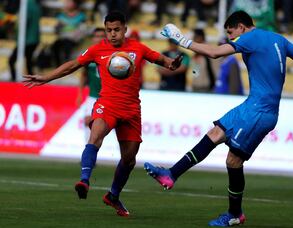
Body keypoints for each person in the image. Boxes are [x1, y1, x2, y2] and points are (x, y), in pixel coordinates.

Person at [144, 10, 293, 227]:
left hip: (259, 111)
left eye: (231, 33)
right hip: (252, 106)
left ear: (241, 27)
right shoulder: (279, 39)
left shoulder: (248, 38)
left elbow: (214, 53)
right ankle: (171, 174)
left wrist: (181, 40)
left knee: (233, 161)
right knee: (215, 133)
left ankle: (235, 214)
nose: (231, 38)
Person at [23, 11, 182, 217]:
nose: (112, 34)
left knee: (129, 159)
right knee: (95, 135)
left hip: (132, 109)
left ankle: (113, 196)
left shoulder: (137, 47)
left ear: (125, 29)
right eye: (109, 30)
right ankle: (84, 180)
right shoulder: (98, 50)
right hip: (107, 104)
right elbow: (72, 65)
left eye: (116, 30)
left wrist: (172, 63)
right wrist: (46, 77)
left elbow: (160, 59)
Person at [76, 27, 106, 142]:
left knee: (116, 126)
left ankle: (123, 158)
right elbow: (84, 75)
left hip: (109, 97)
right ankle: (87, 154)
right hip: (93, 95)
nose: (99, 39)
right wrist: (79, 94)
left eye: (102, 36)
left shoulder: (112, 55)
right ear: (93, 38)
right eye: (96, 36)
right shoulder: (88, 55)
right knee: (88, 121)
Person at [8, 0, 41, 81]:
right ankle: (33, 82)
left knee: (11, 61)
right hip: (34, 38)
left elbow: (25, 21)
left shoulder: (27, 5)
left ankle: (14, 80)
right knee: (29, 62)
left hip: (26, 39)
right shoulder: (36, 4)